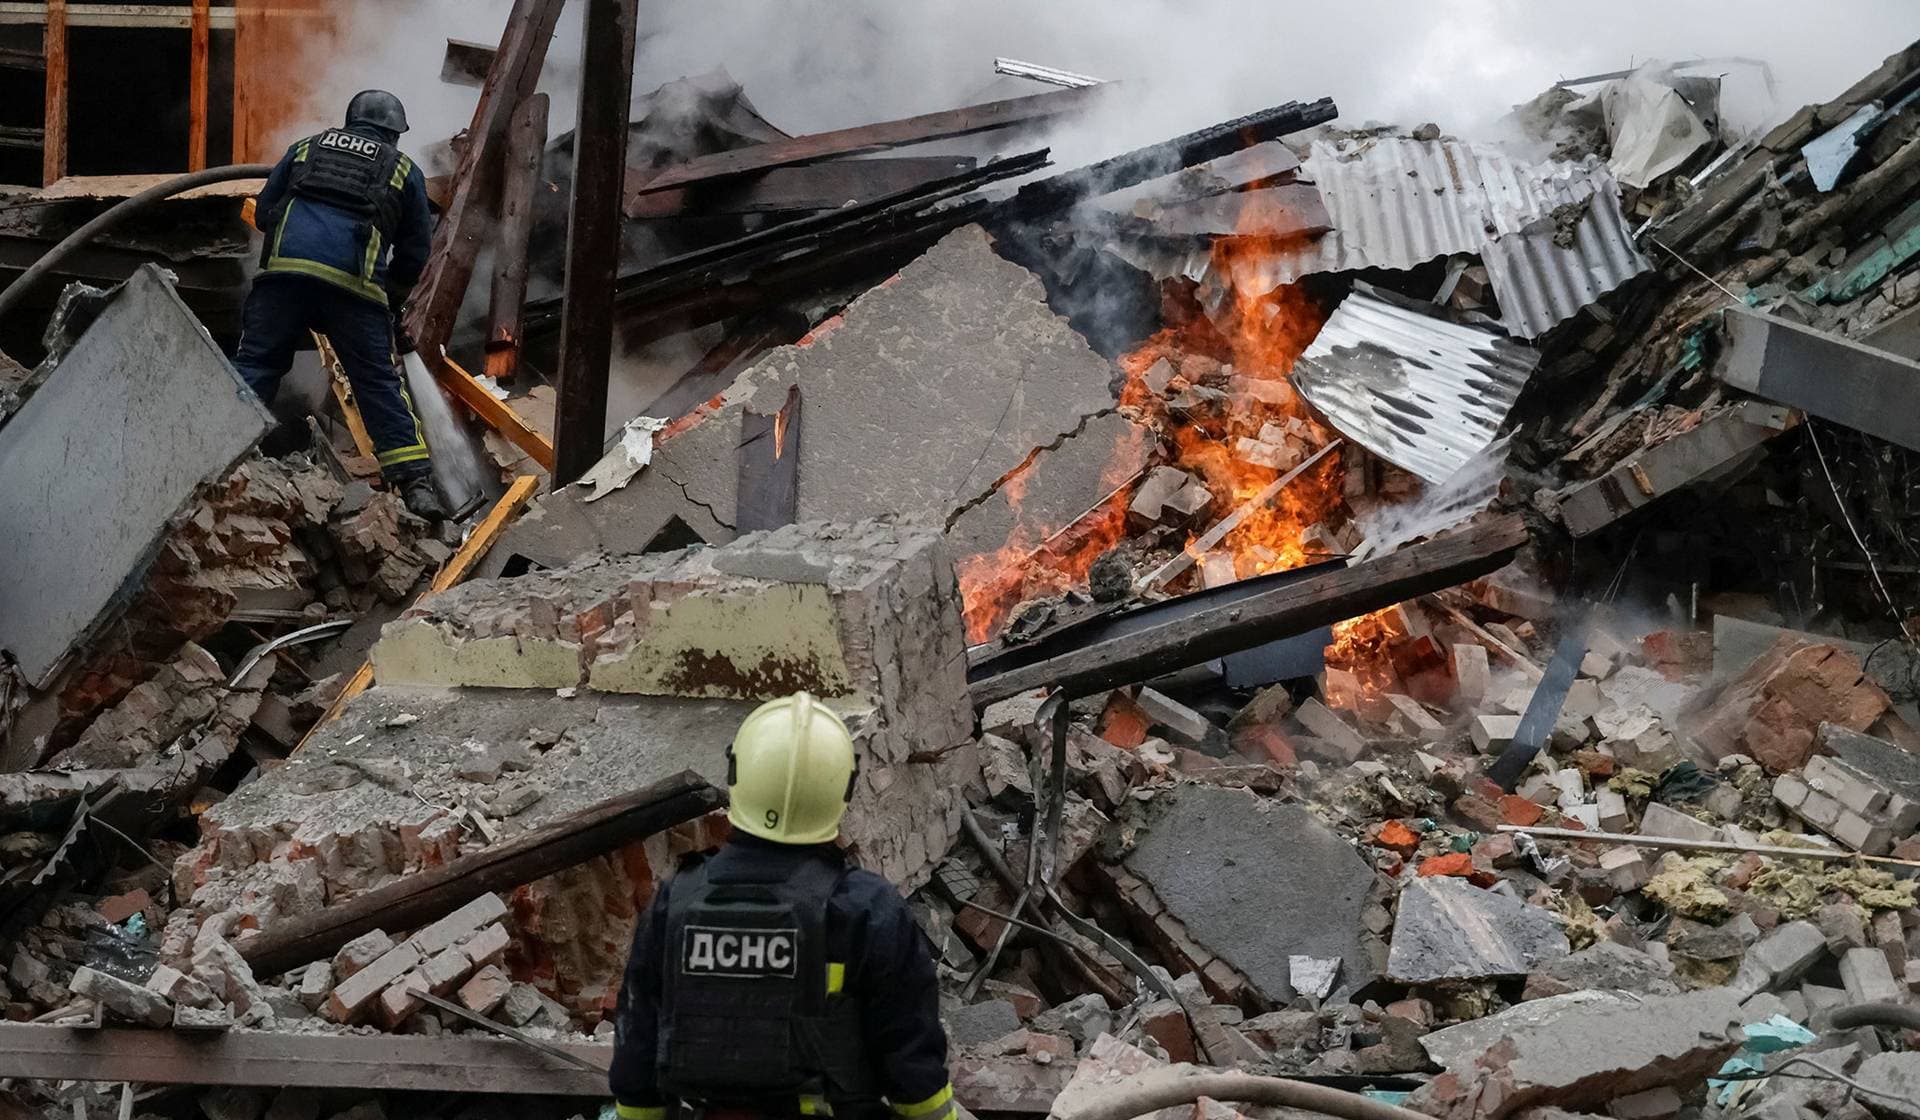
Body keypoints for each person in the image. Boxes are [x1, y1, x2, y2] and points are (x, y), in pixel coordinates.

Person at [611, 693, 953, 1120]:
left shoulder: (674, 903)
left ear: (737, 774)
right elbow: (912, 1065)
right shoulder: (866, 908)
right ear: (841, 789)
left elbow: (636, 1055)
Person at [233, 90, 445, 521]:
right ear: (393, 133)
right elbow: (415, 251)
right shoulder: (403, 169)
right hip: (351, 289)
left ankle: (216, 454)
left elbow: (264, 210)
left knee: (256, 364)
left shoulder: (306, 148)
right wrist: (395, 302)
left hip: (281, 281)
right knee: (376, 383)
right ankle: (415, 485)